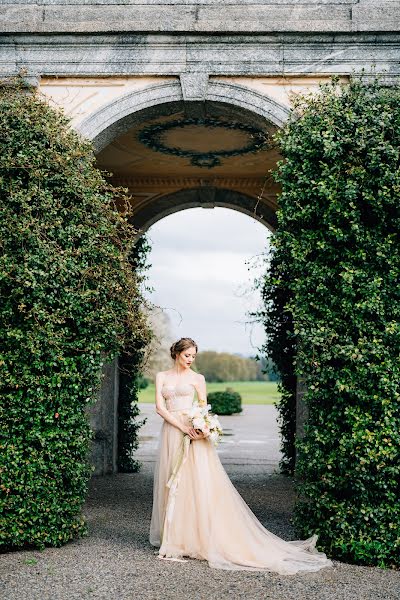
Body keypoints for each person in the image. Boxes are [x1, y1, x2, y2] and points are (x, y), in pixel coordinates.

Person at [149, 337, 333, 574]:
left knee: (195, 483)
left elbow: (203, 408)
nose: (190, 360)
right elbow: (159, 407)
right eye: (187, 355)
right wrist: (181, 427)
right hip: (173, 431)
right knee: (170, 480)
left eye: (194, 356)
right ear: (176, 353)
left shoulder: (198, 378)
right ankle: (174, 535)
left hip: (194, 434)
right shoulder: (162, 376)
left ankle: (195, 536)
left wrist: (202, 427)